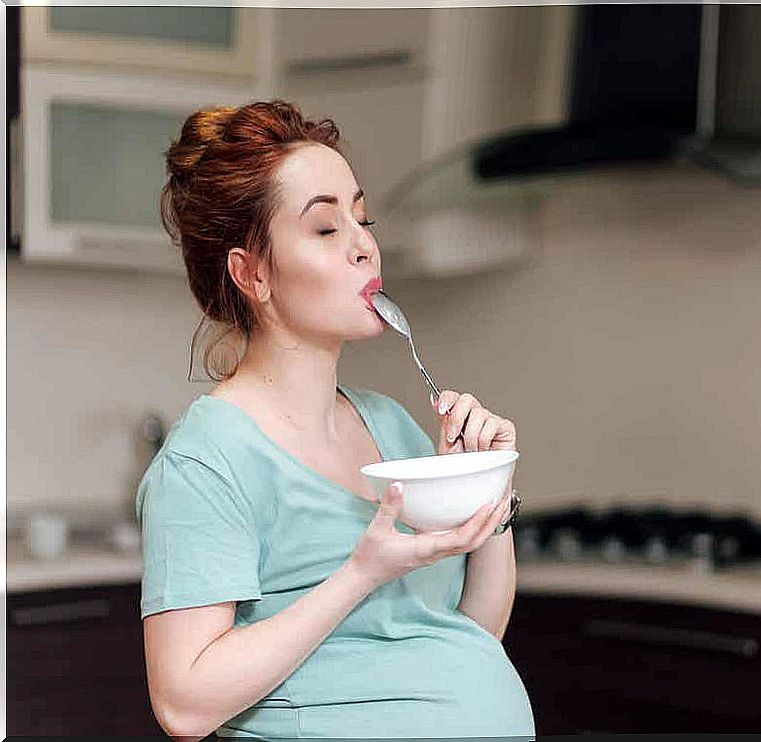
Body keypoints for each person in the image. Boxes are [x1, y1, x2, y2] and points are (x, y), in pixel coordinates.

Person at [136, 100, 533, 740]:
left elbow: (465, 636)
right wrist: (362, 572)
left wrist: (488, 486)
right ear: (253, 273)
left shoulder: (393, 427)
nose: (364, 245)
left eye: (362, 217)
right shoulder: (203, 464)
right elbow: (184, 703)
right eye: (326, 228)